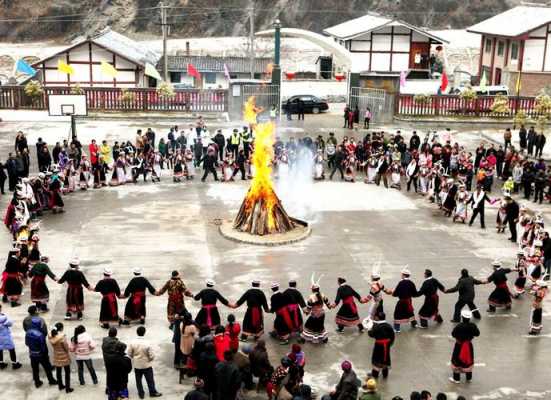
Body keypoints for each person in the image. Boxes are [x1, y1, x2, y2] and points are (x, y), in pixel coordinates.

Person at [128, 326, 163, 399]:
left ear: (137, 333)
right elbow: (152, 355)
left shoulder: (132, 342)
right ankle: (152, 392)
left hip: (137, 365)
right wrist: (149, 360)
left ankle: (141, 394)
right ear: (144, 333)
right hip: (146, 365)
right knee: (150, 380)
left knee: (138, 380)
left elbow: (129, 353)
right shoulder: (147, 343)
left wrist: (134, 358)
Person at [449, 309, 480, 384]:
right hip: (468, 346)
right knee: (468, 360)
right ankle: (468, 378)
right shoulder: (473, 326)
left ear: (462, 317)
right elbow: (477, 334)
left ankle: (457, 379)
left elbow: (453, 334)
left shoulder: (459, 326)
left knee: (456, 360)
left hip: (459, 346)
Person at [25, 317, 57, 388]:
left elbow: (27, 343)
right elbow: (43, 347)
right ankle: (51, 380)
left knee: (35, 369)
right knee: (47, 368)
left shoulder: (28, 332)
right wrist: (44, 354)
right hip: (41, 355)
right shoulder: (40, 335)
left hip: (32, 354)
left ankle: (37, 382)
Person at [301, 279, 332, 344]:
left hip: (315, 314)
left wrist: (306, 312)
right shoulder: (322, 295)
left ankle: (303, 339)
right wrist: (330, 306)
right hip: (322, 313)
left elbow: (309, 308)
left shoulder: (311, 297)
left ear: (312, 290)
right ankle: (324, 339)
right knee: (320, 326)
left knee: (308, 326)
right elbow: (328, 304)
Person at [367, 312, 394, 379]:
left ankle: (375, 374)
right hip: (387, 345)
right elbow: (392, 336)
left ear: (377, 318)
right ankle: (385, 375)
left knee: (377, 359)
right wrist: (390, 344)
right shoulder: (388, 325)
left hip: (379, 345)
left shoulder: (376, 326)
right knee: (385, 359)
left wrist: (369, 328)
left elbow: (371, 334)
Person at [390, 267, 418, 332]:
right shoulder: (411, 283)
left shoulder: (401, 283)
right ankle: (414, 324)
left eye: (401, 274)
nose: (401, 275)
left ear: (403, 275)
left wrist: (393, 292)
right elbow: (415, 293)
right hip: (409, 301)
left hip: (402, 301)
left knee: (397, 313)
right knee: (410, 312)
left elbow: (395, 294)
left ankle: (397, 328)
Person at [49, 322, 73, 393]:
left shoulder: (51, 336)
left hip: (56, 355)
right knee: (67, 372)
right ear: (61, 328)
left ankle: (60, 385)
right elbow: (66, 348)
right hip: (64, 356)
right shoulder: (62, 337)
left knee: (58, 372)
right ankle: (68, 388)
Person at [0, 304, 22, 370]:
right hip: (5, 336)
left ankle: (1, 364)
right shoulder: (3, 317)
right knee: (11, 349)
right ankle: (14, 364)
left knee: (0, 349)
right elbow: (10, 323)